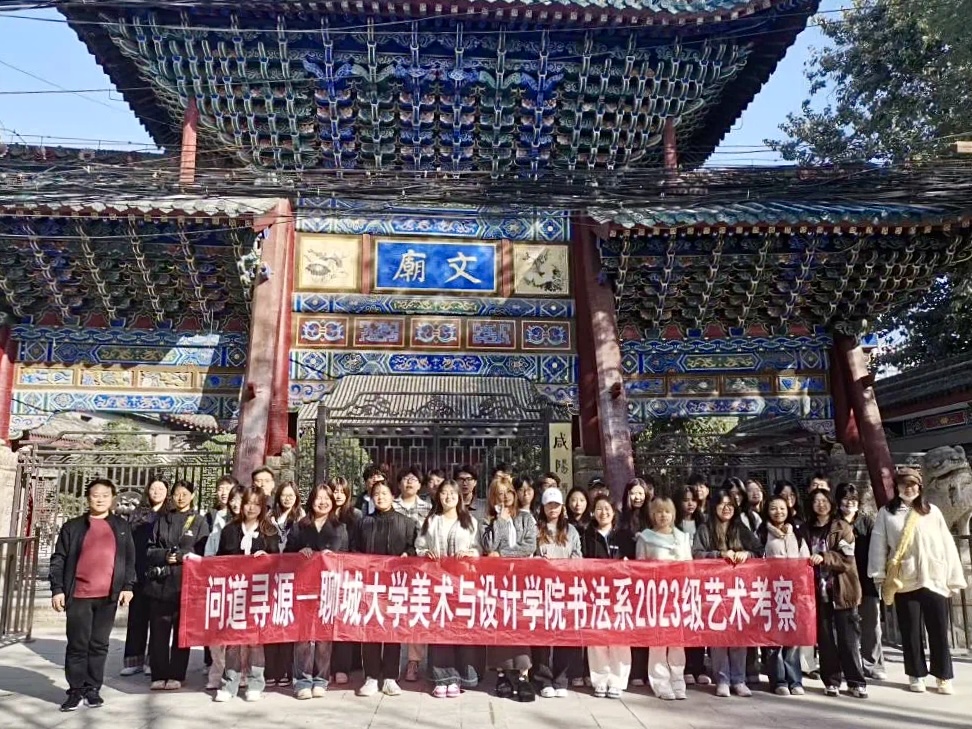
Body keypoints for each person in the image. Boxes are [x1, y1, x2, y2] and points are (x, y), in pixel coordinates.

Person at [869, 468, 967, 695]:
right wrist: (879, 575)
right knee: (911, 631)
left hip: (934, 577)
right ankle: (916, 674)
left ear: (919, 486)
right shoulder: (887, 513)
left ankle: (943, 676)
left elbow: (946, 544)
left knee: (938, 630)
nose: (909, 488)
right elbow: (878, 544)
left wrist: (953, 577)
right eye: (904, 484)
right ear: (897, 487)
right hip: (905, 580)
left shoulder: (932, 511)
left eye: (913, 484)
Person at [50, 478, 136, 712]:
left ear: (113, 499)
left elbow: (129, 558)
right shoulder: (73, 527)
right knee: (77, 645)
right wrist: (57, 589)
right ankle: (75, 690)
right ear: (88, 498)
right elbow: (59, 559)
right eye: (95, 495)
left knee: (99, 644)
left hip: (108, 596)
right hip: (78, 595)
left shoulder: (121, 527)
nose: (100, 499)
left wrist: (128, 586)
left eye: (105, 495)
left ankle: (92, 689)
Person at [692, 486, 762, 698]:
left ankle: (739, 679)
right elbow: (696, 554)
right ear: (714, 506)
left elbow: (759, 551)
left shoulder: (741, 529)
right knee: (718, 635)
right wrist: (719, 554)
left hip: (739, 589)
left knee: (739, 633)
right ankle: (722, 678)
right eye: (722, 504)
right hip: (714, 589)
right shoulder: (705, 529)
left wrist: (746, 554)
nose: (726, 508)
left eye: (730, 504)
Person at [415, 479, 482, 698]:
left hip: (463, 583)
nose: (448, 497)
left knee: (461, 629)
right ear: (438, 496)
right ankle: (442, 678)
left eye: (452, 493)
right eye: (444, 493)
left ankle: (463, 676)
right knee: (440, 629)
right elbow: (420, 546)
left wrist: (471, 554)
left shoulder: (470, 521)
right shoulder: (431, 521)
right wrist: (426, 554)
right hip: (437, 582)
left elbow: (478, 549)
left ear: (459, 497)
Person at [213, 486, 281, 703]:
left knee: (255, 641)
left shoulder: (269, 531)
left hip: (260, 593)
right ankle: (229, 684)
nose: (251, 508)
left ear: (262, 507)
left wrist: (266, 557)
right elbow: (220, 560)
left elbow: (278, 561)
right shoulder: (230, 530)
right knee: (233, 640)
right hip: (234, 592)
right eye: (248, 503)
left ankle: (255, 683)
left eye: (256, 504)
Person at [352, 479, 417, 697]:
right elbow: (354, 549)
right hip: (369, 584)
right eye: (376, 494)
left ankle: (390, 676)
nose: (380, 497)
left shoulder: (406, 523)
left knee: (392, 629)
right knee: (370, 628)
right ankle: (371, 676)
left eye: (384, 493)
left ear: (393, 496)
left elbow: (413, 548)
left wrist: (408, 554)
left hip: (396, 584)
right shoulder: (363, 523)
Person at [286, 483, 350, 699]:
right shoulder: (300, 526)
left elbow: (348, 557)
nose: (322, 502)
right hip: (304, 588)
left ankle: (321, 679)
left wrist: (334, 557)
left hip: (328, 588)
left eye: (326, 498)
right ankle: (302, 681)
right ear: (311, 501)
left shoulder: (340, 527)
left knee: (324, 637)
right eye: (318, 498)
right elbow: (287, 554)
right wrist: (299, 552)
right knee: (303, 637)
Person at [144, 480, 209, 691]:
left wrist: (181, 556)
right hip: (161, 583)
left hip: (185, 584)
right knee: (158, 633)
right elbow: (149, 550)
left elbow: (203, 552)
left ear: (192, 496)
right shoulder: (162, 520)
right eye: (177, 493)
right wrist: (165, 555)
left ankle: (177, 674)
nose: (181, 497)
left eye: (185, 493)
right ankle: (158, 674)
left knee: (182, 632)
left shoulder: (199, 521)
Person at [481, 474, 538, 702]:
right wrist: (500, 521)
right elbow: (488, 547)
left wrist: (502, 554)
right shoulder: (487, 520)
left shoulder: (525, 518)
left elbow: (528, 546)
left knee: (521, 626)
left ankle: (523, 675)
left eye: (508, 493)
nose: (504, 497)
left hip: (522, 580)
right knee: (500, 625)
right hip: (497, 582)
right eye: (499, 493)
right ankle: (502, 674)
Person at [806, 487, 868, 698]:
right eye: (816, 501)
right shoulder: (806, 529)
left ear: (831, 503)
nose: (821, 504)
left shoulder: (842, 527)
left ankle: (856, 681)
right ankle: (831, 681)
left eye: (824, 500)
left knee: (848, 639)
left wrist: (825, 557)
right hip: (817, 592)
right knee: (825, 640)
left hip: (842, 589)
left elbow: (847, 559)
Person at [636, 497, 692, 701]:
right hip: (656, 596)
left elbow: (689, 566)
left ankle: (678, 679)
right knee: (658, 640)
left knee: (677, 640)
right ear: (652, 514)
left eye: (667, 511)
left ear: (673, 514)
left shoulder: (682, 538)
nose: (663, 515)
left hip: (678, 596)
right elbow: (639, 568)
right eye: (659, 511)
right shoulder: (645, 538)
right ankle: (660, 681)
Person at [533, 488, 583, 698]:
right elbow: (530, 556)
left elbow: (578, 556)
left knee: (564, 634)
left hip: (565, 588)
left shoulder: (571, 531)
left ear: (562, 507)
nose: (552, 509)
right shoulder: (536, 529)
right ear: (543, 507)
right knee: (542, 636)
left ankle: (561, 679)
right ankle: (543, 679)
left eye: (556, 505)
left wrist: (564, 567)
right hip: (541, 589)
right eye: (549, 505)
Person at [833, 482, 885, 681]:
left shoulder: (867, 522)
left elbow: (878, 548)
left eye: (853, 499)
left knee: (871, 624)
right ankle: (848, 663)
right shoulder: (834, 523)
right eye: (845, 499)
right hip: (843, 581)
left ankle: (872, 663)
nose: (849, 503)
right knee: (846, 626)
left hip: (866, 579)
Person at [581, 495, 631, 698]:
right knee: (597, 638)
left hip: (620, 593)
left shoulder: (623, 536)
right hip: (596, 592)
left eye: (607, 508)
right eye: (599, 509)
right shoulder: (587, 535)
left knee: (619, 638)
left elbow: (634, 562)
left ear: (613, 511)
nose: (603, 512)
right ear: (593, 512)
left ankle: (617, 681)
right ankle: (600, 680)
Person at [758, 495, 808, 696]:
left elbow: (805, 560)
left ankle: (795, 680)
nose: (778, 512)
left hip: (794, 592)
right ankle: (778, 679)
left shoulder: (797, 533)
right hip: (771, 591)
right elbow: (758, 562)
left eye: (782, 508)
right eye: (773, 508)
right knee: (774, 639)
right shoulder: (762, 533)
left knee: (792, 638)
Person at [120, 477, 169, 678]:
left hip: (160, 572)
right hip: (139, 569)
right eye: (154, 488)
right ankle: (133, 659)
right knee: (137, 617)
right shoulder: (137, 514)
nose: (157, 492)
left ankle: (152, 660)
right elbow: (129, 543)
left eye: (161, 489)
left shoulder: (169, 515)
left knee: (158, 620)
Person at [204, 481, 244, 691]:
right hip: (222, 585)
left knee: (241, 635)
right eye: (233, 500)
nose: (236, 504)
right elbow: (210, 554)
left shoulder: (256, 525)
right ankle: (217, 671)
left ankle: (240, 673)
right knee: (218, 634)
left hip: (246, 586)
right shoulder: (221, 524)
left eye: (240, 500)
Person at [392, 465, 431, 682]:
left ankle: (413, 661)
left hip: (419, 568)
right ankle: (393, 662)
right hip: (392, 567)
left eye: (414, 479)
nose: (409, 482)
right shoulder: (391, 504)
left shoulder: (428, 508)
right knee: (394, 612)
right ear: (399, 483)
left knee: (416, 612)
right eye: (405, 478)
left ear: (420, 484)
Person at [266, 481, 303, 687]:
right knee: (271, 623)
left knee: (288, 624)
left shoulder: (301, 518)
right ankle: (271, 670)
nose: (287, 498)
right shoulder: (269, 519)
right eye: (284, 495)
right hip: (270, 577)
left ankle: (287, 670)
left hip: (292, 578)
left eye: (291, 495)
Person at [672, 484, 709, 686]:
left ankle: (699, 665)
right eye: (686, 500)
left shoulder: (704, 524)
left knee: (698, 622)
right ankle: (685, 667)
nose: (690, 504)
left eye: (693, 500)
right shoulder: (673, 525)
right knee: (683, 623)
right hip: (680, 580)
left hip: (702, 580)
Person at [617, 477, 652, 686]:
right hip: (628, 578)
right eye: (633, 493)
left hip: (650, 579)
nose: (637, 497)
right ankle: (635, 671)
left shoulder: (652, 516)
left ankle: (649, 670)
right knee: (632, 624)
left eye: (640, 493)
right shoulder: (621, 518)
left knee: (648, 624)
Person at [330, 476, 361, 685]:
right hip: (327, 574)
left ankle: (343, 667)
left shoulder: (356, 516)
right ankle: (325, 666)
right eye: (335, 491)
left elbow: (359, 543)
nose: (338, 495)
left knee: (345, 619)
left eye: (342, 491)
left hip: (349, 574)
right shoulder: (322, 514)